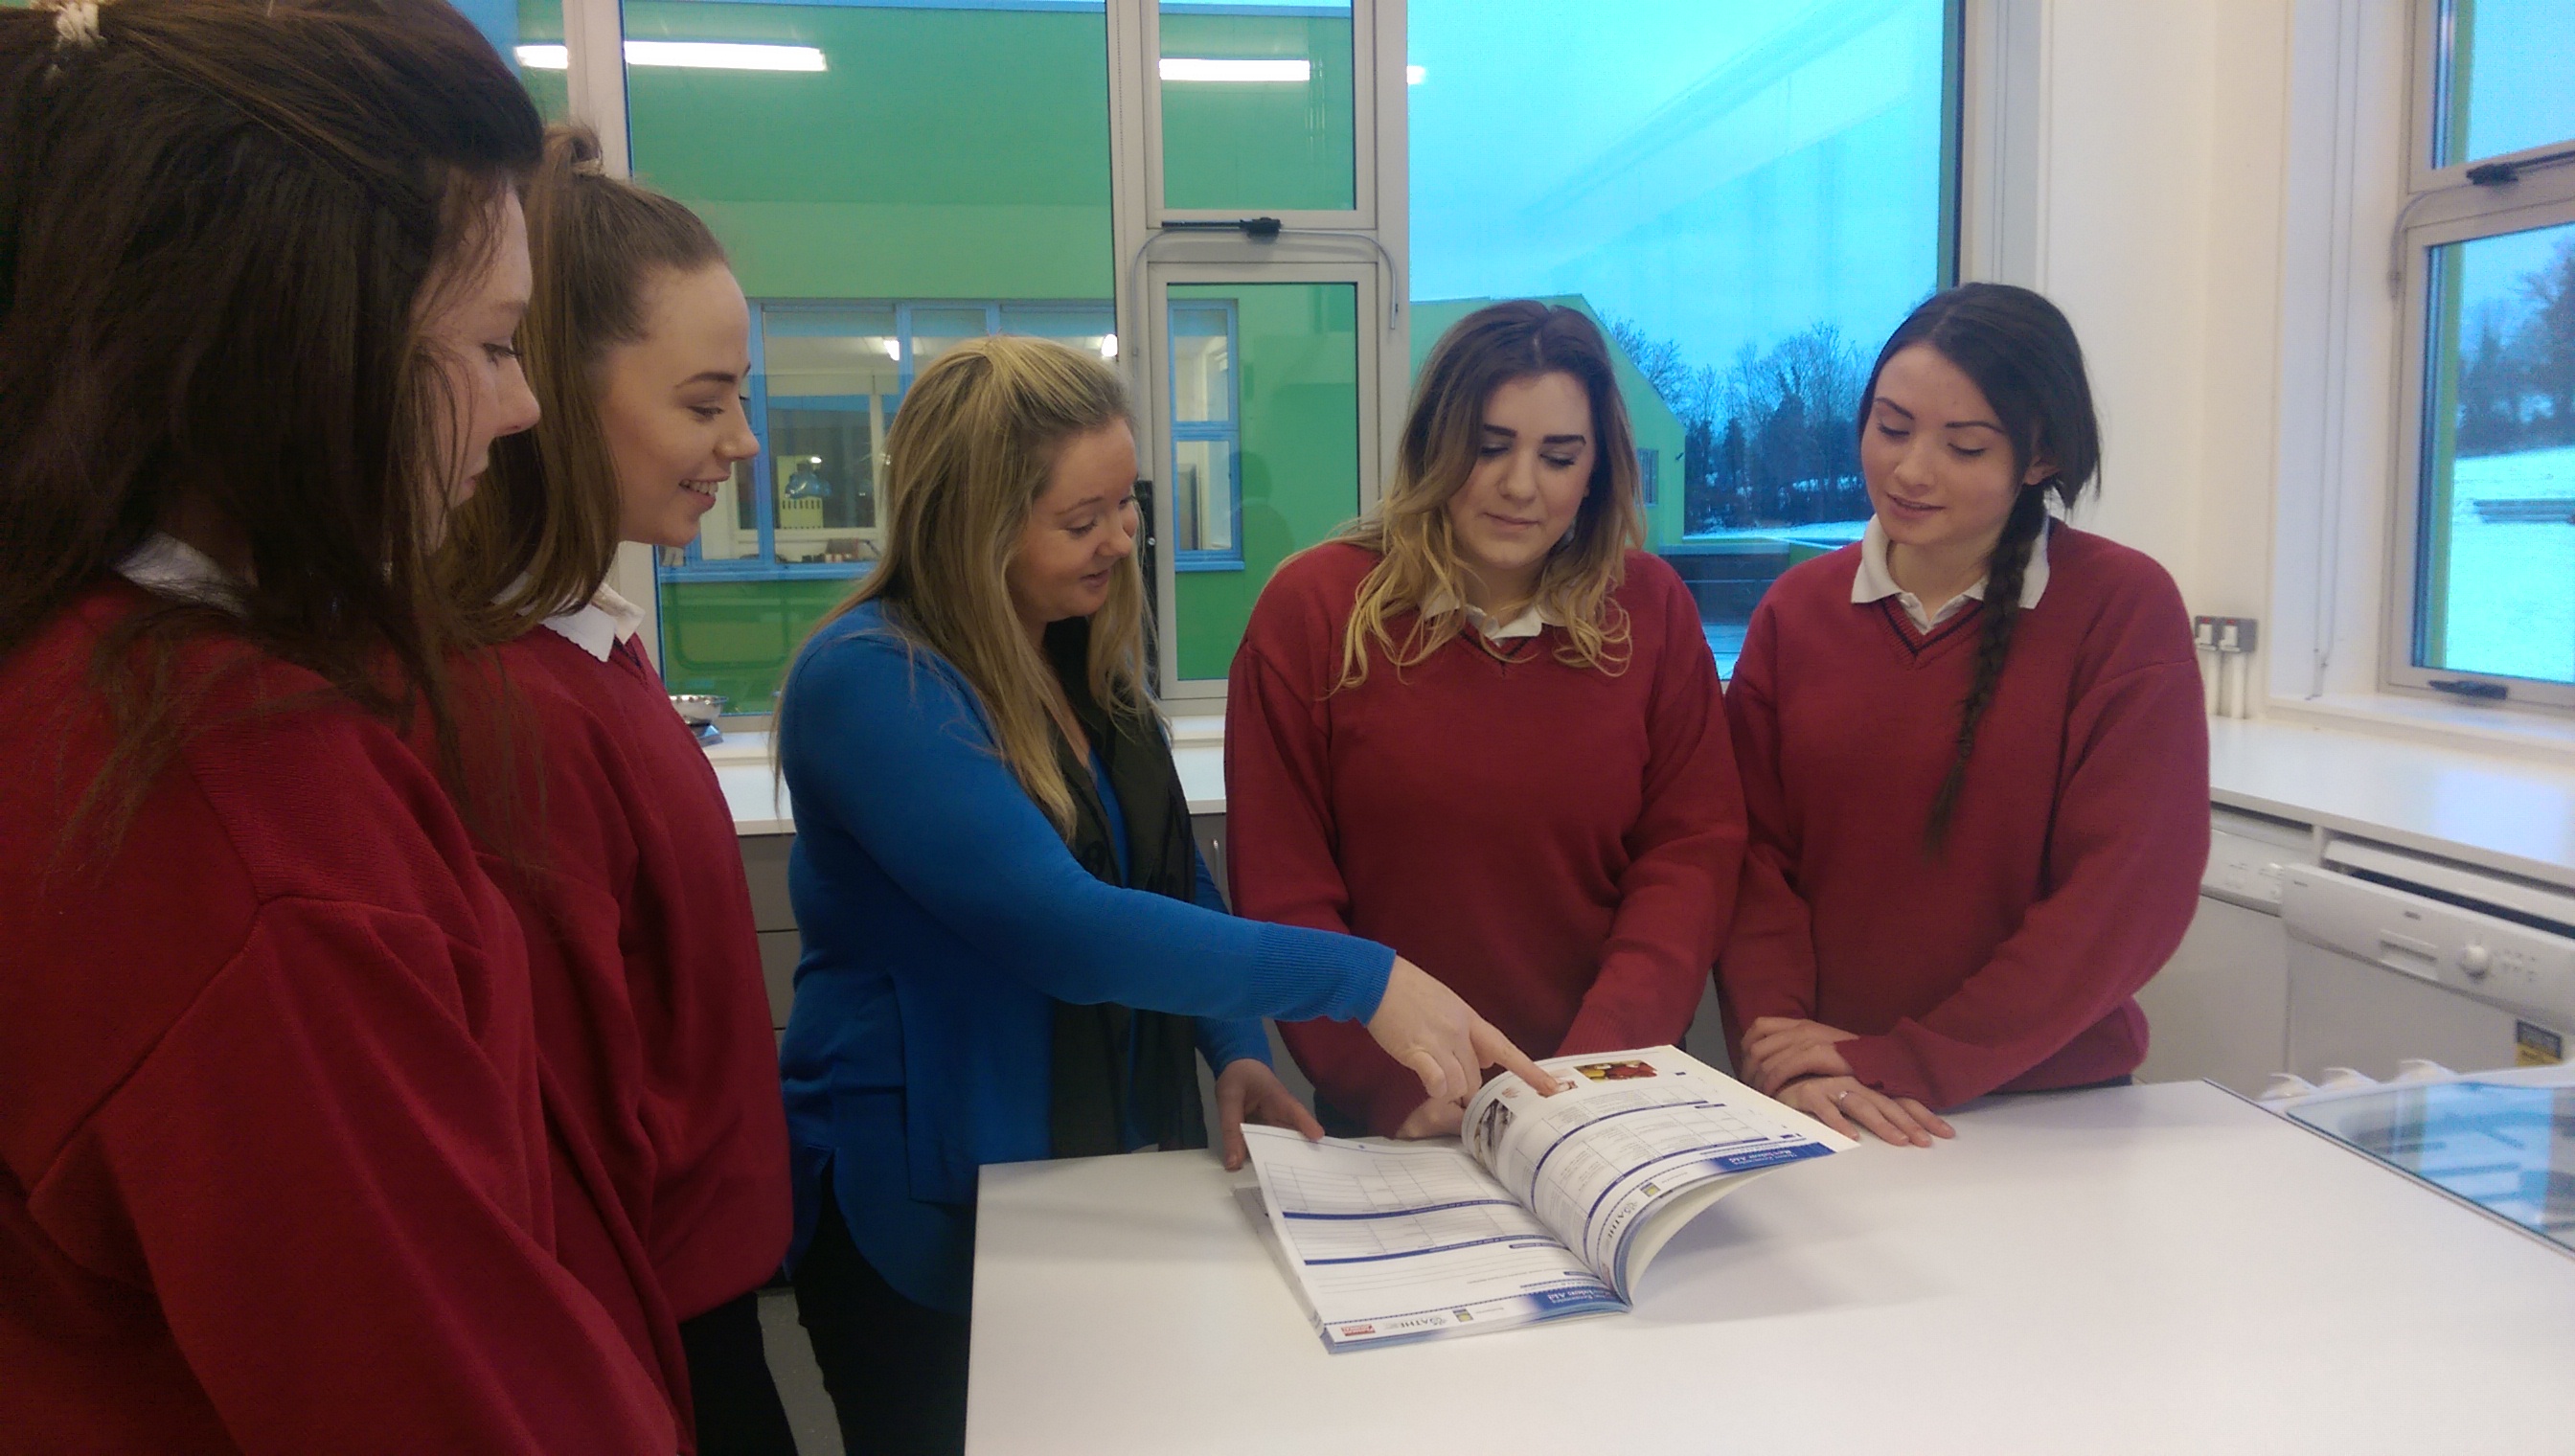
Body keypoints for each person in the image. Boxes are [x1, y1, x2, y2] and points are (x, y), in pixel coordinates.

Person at [0, 1, 673, 1449]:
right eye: (492, 345)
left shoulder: (66, 664)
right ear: (307, 346)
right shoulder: (232, 808)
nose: (520, 407)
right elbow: (449, 1395)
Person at [774, 334, 1551, 1456]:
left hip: (1093, 1167)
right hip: (930, 1202)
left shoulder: (1075, 652)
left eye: (1125, 502)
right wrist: (1363, 977)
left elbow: (1167, 869)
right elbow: (1069, 927)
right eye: (1080, 518)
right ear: (973, 525)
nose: (1120, 537)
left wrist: (1234, 1048)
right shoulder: (870, 681)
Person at [437, 125, 795, 1455]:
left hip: (703, 1293)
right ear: (546, 396)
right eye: (703, 404)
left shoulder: (597, 647)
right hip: (646, 1332)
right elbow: (567, 1136)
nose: (741, 442)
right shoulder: (510, 710)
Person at [1226, 300, 1747, 1140]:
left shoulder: (1652, 612)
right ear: (1434, 443)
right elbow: (1286, 896)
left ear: (1596, 471)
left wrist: (1582, 1078)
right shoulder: (1313, 612)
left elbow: (1689, 861)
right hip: (1401, 1119)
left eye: (1559, 456)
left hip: (1606, 1107)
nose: (1519, 485)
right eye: (1489, 445)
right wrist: (1399, 1091)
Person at [1718, 282, 2209, 1146]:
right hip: (1825, 1098)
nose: (1911, 470)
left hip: (2049, 1107)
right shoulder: (1798, 612)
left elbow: (2125, 894)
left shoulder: (2121, 607)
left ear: (2040, 454)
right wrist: (1780, 1049)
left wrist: (1910, 1058)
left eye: (1965, 445)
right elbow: (1754, 860)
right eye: (1891, 428)